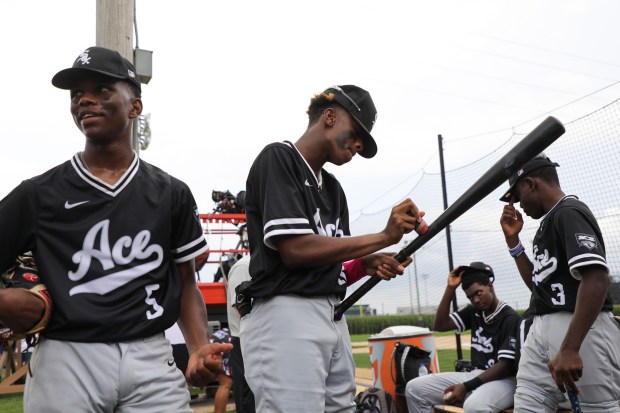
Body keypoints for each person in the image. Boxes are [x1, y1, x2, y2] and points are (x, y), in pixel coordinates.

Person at [0, 46, 231, 412]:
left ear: (135, 106)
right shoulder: (39, 193)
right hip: (68, 355)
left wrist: (198, 347)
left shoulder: (171, 192)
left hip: (151, 355)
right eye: (78, 95)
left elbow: (185, 280)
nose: (86, 101)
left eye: (102, 90)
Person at [239, 84, 422, 412]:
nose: (357, 145)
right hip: (286, 313)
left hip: (332, 314)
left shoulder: (334, 190)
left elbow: (330, 263)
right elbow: (295, 251)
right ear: (330, 115)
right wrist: (383, 236)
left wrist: (363, 265)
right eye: (356, 134)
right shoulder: (279, 158)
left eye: (362, 143)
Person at [499, 153, 620, 412]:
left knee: (598, 408)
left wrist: (570, 347)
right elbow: (538, 287)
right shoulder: (549, 221)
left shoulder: (569, 212)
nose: (518, 205)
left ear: (531, 184)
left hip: (581, 327)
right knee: (528, 402)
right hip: (542, 325)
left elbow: (597, 278)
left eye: (518, 196)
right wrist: (514, 243)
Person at [405, 262, 520, 413]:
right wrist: (450, 288)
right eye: (470, 297)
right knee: (414, 388)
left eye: (478, 293)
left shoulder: (510, 318)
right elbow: (440, 324)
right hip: (476, 375)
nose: (476, 300)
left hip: (505, 380)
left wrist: (466, 387)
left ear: (490, 286)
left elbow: (504, 366)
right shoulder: (475, 312)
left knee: (474, 406)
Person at [223, 254, 255, 413]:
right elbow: (240, 308)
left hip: (258, 340)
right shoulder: (245, 266)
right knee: (248, 401)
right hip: (246, 341)